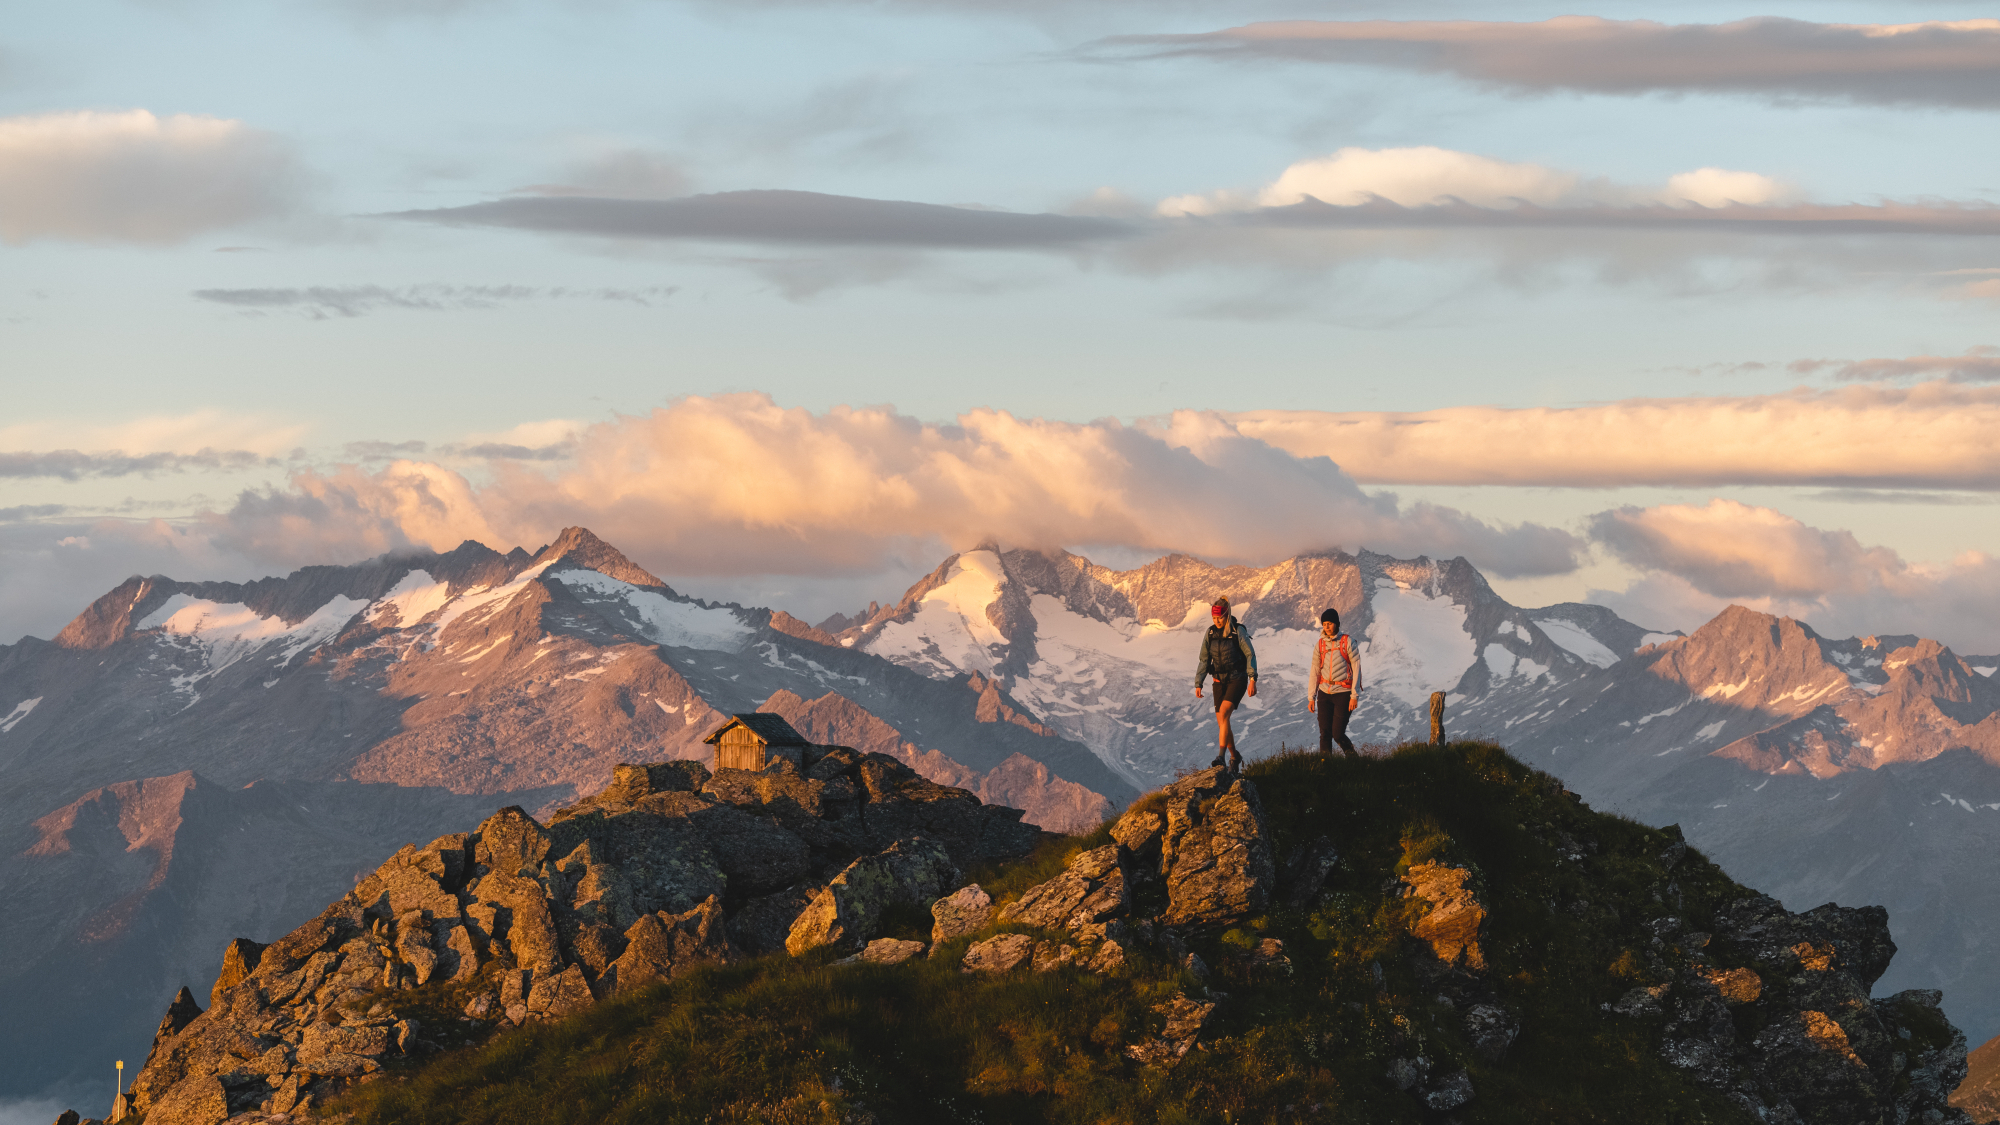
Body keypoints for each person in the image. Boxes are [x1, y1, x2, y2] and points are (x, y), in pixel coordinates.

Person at [1194, 596, 1257, 770]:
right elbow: (1204, 659)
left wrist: (1252, 679)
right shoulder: (1210, 633)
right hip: (1218, 682)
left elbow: (1250, 654)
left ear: (1227, 615)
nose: (1217, 621)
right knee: (1222, 721)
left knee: (1224, 713)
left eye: (1219, 618)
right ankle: (1235, 756)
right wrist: (1199, 683)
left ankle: (1221, 757)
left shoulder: (1238, 631)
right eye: (1214, 618)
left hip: (1237, 679)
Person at [1307, 608, 1361, 758]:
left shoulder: (1348, 642)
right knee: (1324, 733)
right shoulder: (1320, 645)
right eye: (1324, 624)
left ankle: (1354, 760)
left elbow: (1356, 669)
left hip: (1343, 693)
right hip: (1324, 693)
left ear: (1336, 623)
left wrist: (1354, 696)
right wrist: (1311, 697)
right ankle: (1326, 765)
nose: (1326, 627)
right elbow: (1315, 671)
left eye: (1329, 623)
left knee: (1337, 734)